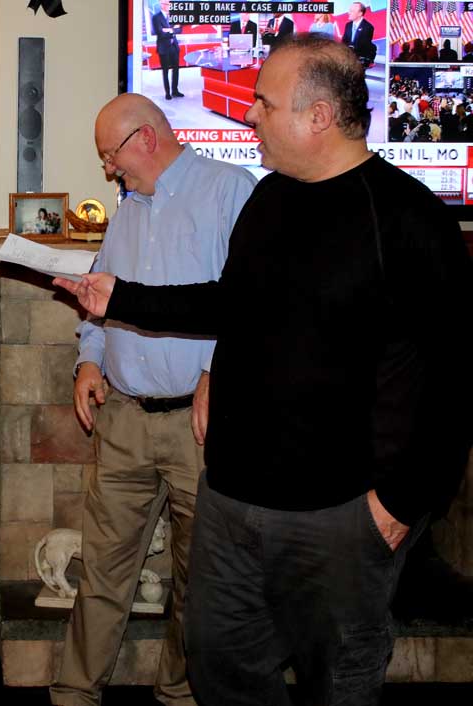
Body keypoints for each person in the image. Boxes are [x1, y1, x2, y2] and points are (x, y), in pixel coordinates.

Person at [54, 35, 473, 706]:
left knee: (334, 679)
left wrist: (400, 504)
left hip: (339, 515)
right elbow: (233, 305)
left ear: (317, 117)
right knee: (221, 665)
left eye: (262, 102)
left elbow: (454, 382)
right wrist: (123, 298)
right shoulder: (271, 199)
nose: (247, 115)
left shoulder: (409, 220)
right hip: (232, 499)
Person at [49, 94, 256, 706]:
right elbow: (100, 296)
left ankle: (180, 693)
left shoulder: (230, 191)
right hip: (124, 421)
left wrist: (218, 373)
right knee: (102, 573)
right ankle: (75, 693)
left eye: (110, 156)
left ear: (145, 138)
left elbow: (252, 303)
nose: (108, 170)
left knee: (200, 581)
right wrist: (90, 358)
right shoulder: (128, 209)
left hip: (198, 426)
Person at [150, 1, 184, 99]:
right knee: (166, 71)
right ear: (162, 5)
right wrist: (173, 30)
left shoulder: (174, 16)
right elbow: (160, 33)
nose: (170, 7)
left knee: (176, 69)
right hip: (163, 48)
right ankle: (167, 93)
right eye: (168, 4)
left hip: (174, 47)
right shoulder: (156, 17)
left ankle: (175, 90)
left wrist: (169, 30)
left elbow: (180, 29)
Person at [342, 2, 376, 66]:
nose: (349, 12)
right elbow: (344, 41)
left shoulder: (368, 27)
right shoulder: (348, 25)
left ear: (360, 13)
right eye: (349, 10)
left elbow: (364, 45)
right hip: (347, 59)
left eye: (352, 11)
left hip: (359, 61)